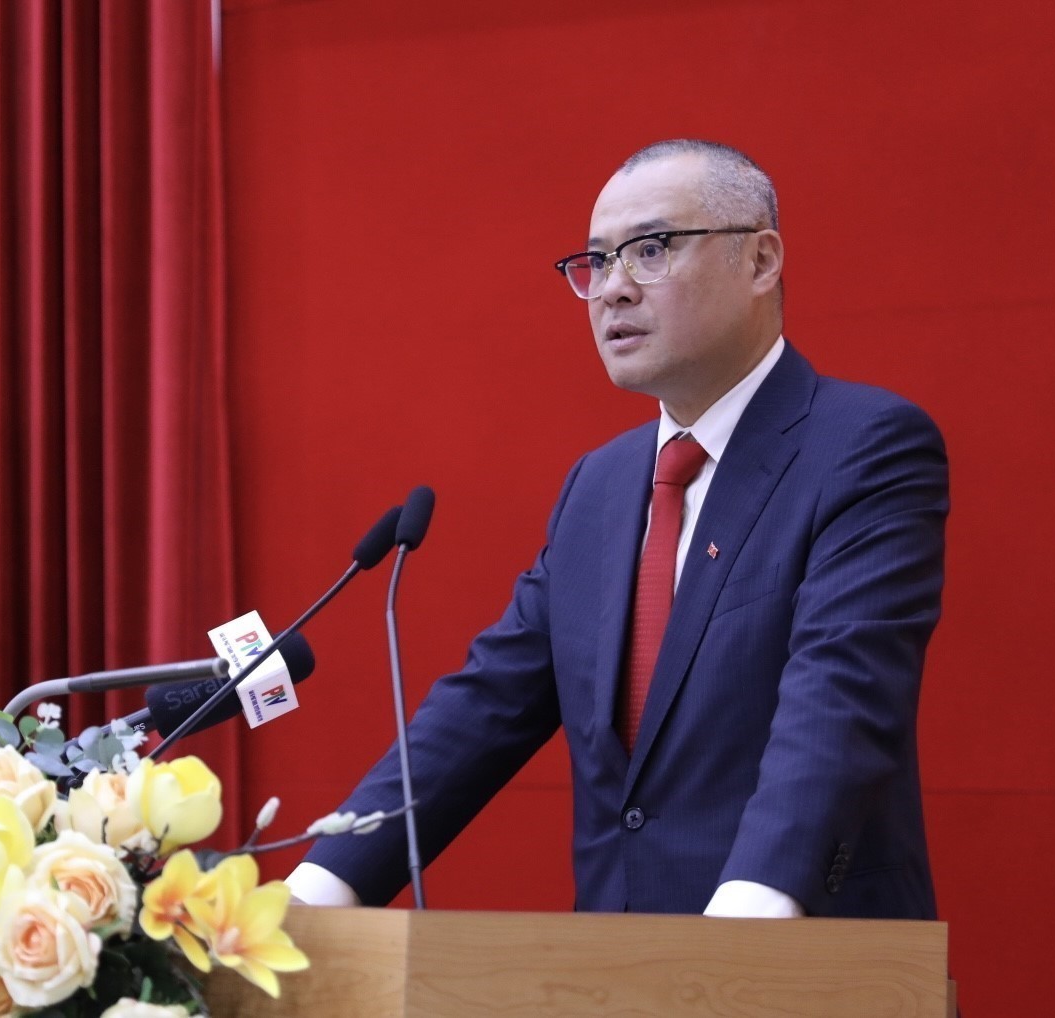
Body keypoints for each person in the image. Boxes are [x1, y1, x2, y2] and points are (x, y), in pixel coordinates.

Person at [288, 139, 948, 919]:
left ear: (760, 260)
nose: (612, 288)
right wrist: (312, 895)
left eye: (651, 249)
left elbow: (839, 699)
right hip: (616, 961)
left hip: (792, 951)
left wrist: (745, 925)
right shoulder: (599, 486)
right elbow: (485, 707)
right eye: (596, 261)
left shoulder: (862, 446)